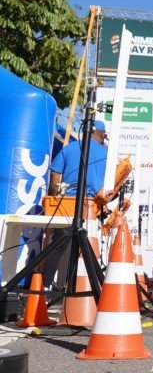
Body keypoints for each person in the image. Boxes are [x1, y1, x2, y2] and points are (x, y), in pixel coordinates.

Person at [44, 119, 108, 287]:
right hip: (91, 206)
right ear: (100, 135)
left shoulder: (69, 148)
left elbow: (55, 175)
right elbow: (111, 185)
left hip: (67, 204)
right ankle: (82, 287)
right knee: (88, 248)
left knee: (58, 245)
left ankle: (45, 284)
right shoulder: (106, 153)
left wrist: (55, 197)